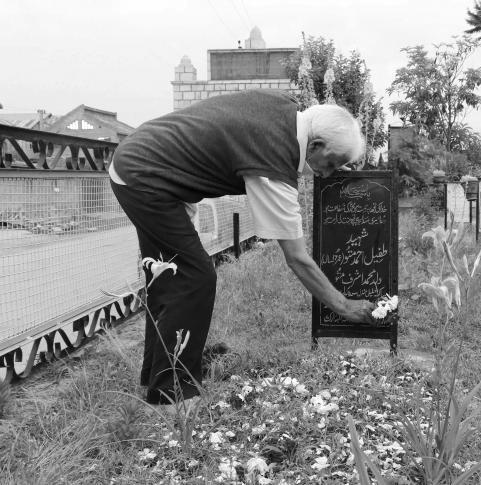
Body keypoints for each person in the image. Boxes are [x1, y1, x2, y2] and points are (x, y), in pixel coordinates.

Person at [108, 89, 376, 409]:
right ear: (315, 146)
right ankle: (173, 396)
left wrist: (332, 163)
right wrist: (344, 306)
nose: (329, 174)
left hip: (137, 159)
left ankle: (156, 381)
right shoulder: (274, 158)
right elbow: (298, 259)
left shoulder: (284, 111)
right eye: (330, 164)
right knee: (194, 277)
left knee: (168, 278)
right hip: (146, 178)